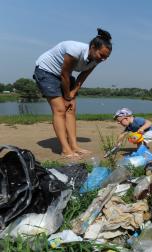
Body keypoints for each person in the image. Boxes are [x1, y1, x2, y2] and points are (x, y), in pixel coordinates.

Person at [33, 28, 112, 159]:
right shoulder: (75, 50)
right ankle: (65, 149)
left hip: (64, 75)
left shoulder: (96, 60)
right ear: (92, 47)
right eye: (101, 55)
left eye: (106, 57)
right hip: (46, 71)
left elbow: (82, 76)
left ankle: (74, 146)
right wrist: (67, 96)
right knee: (60, 110)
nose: (103, 59)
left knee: (70, 109)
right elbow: (64, 75)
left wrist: (73, 92)